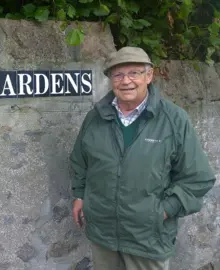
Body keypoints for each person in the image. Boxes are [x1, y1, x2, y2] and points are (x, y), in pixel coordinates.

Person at [69, 46, 217, 270]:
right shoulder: (95, 118)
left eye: (134, 73)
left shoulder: (173, 120)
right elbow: (80, 161)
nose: (126, 81)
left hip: (147, 239)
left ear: (149, 76)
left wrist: (162, 212)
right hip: (103, 236)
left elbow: (198, 178)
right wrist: (80, 196)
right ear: (111, 80)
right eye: (118, 75)